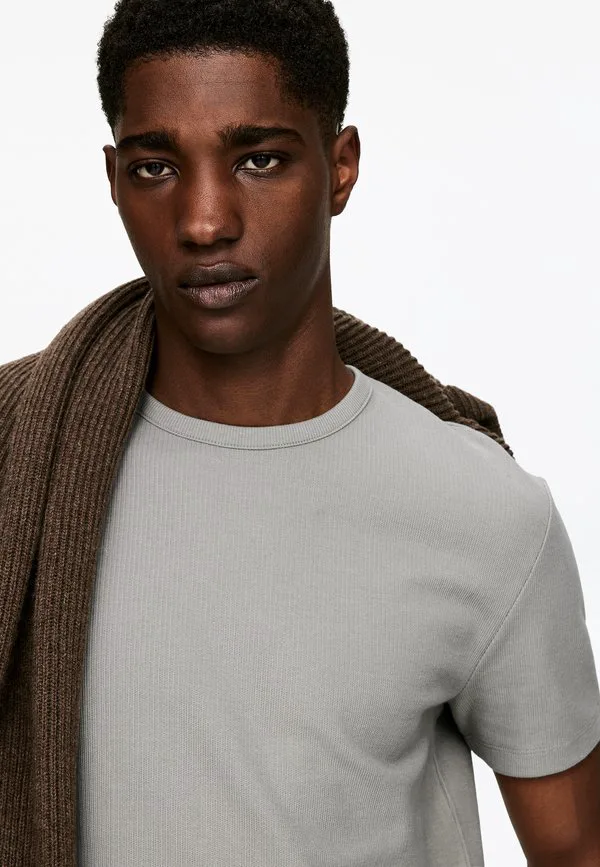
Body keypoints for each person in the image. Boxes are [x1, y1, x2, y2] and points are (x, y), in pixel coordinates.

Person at [0, 1, 599, 865]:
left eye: (259, 160)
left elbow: (575, 848)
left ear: (341, 167)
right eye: (155, 167)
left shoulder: (484, 514)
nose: (205, 220)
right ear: (113, 179)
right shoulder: (23, 464)